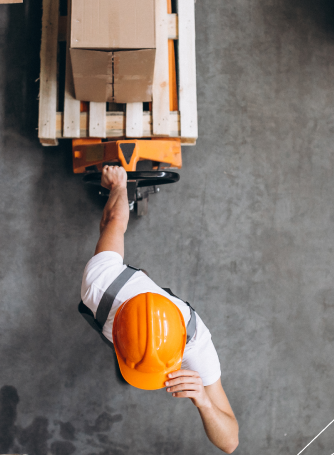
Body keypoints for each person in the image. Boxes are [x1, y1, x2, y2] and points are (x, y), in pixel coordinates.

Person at [78, 166, 239, 453]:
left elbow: (230, 442)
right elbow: (113, 219)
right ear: (114, 332)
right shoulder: (100, 284)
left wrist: (203, 400)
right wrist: (119, 185)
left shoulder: (196, 346)